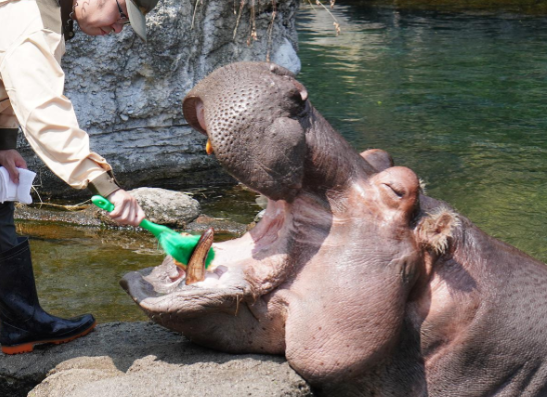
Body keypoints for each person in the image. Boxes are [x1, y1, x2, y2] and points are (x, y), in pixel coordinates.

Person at [0, 0, 159, 354]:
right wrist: (103, 182)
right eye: (121, 15)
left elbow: (6, 78)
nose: (119, 29)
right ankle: (19, 325)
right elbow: (41, 107)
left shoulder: (49, 13)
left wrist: (3, 143)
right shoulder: (33, 15)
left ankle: (18, 327)